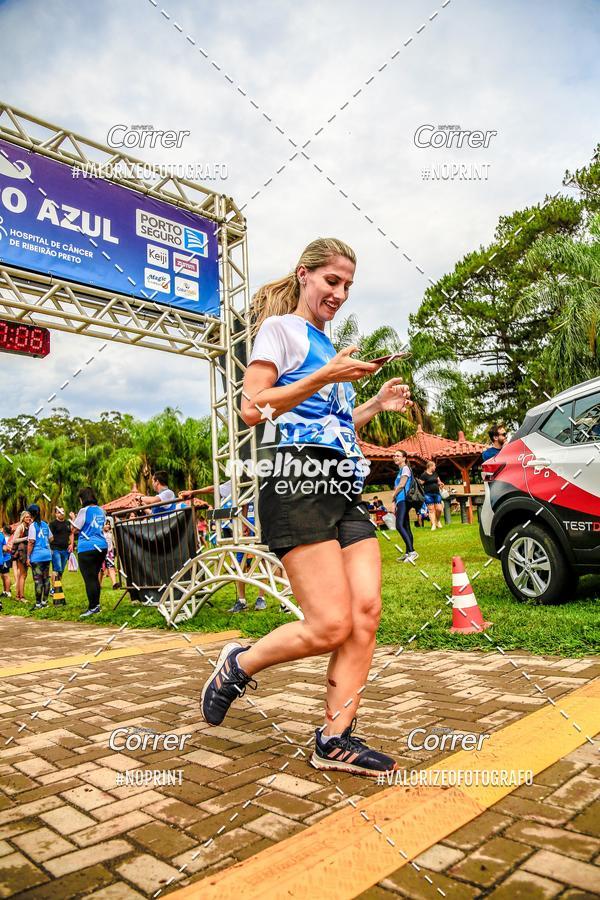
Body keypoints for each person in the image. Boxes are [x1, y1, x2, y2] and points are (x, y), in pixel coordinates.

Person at [200, 237, 412, 777]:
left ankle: (334, 738)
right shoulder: (282, 332)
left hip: (343, 488)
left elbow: (330, 422)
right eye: (331, 281)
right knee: (329, 624)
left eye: (347, 286)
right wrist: (324, 376)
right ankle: (237, 664)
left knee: (365, 614)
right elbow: (253, 407)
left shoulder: (326, 345)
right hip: (296, 482)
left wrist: (373, 405)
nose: (339, 293)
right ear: (305, 275)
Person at [69, 487, 107, 617]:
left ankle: (93, 607)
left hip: (88, 547)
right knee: (94, 576)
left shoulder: (84, 511)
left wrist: (73, 518)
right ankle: (96, 605)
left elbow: (74, 529)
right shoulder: (101, 510)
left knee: (89, 578)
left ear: (82, 498)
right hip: (101, 546)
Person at [228, 501, 266, 613]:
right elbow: (242, 504)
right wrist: (243, 524)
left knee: (263, 563)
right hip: (244, 531)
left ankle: (261, 598)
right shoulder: (239, 486)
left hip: (260, 529)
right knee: (241, 566)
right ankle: (241, 600)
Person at [26, 504, 53, 610]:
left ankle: (38, 604)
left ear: (30, 514)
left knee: (38, 580)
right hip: (47, 555)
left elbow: (31, 542)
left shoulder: (33, 526)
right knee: (46, 579)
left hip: (37, 557)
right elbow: (51, 538)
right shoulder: (45, 524)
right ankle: (45, 602)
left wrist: (28, 557)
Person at [392, 450, 418, 563]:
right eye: (394, 456)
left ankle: (412, 552)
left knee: (399, 525)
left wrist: (393, 495)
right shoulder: (400, 470)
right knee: (406, 526)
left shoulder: (405, 469)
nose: (395, 457)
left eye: (398, 455)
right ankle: (408, 552)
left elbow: (402, 484)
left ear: (404, 458)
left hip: (404, 500)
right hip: (400, 500)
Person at [11, 511, 32, 603]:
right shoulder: (21, 527)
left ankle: (18, 595)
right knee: (23, 574)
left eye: (29, 517)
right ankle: (21, 597)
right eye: (26, 517)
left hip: (25, 552)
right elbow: (14, 540)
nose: (28, 518)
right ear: (23, 518)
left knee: (21, 574)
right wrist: (25, 538)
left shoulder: (29, 526)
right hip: (21, 553)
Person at [418, 460, 445, 530]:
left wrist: (441, 484)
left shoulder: (435, 473)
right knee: (431, 510)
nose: (435, 467)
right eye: (434, 466)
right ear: (430, 466)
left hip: (437, 493)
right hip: (428, 494)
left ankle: (438, 521)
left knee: (439, 509)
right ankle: (433, 524)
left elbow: (438, 481)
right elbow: (420, 484)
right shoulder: (424, 475)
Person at [49, 506, 71, 591]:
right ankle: (53, 589)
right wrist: (50, 548)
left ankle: (57, 587)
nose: (61, 513)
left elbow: (71, 533)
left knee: (61, 570)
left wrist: (71, 544)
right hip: (55, 549)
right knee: (56, 569)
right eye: (59, 512)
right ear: (55, 514)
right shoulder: (52, 524)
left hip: (65, 550)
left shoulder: (67, 523)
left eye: (62, 511)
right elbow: (49, 537)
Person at [99, 520, 119, 589]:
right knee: (101, 569)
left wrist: (113, 550)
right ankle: (99, 585)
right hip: (101, 553)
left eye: (108, 524)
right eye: (106, 524)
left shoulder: (110, 533)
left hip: (109, 553)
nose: (108, 526)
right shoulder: (100, 533)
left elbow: (112, 542)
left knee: (111, 567)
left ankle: (114, 584)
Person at [0, 524, 12, 600]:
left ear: (3, 530)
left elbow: (7, 548)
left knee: (6, 575)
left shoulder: (6, 538)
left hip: (5, 559)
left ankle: (7, 592)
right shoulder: (3, 537)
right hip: (3, 558)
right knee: (3, 575)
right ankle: (5, 591)